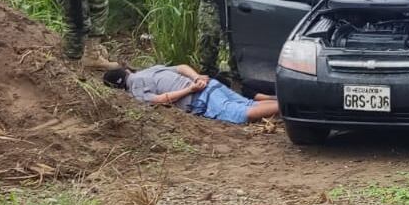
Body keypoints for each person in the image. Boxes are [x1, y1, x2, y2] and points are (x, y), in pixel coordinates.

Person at [103, 64, 279, 124]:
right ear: (126, 70)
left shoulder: (135, 89)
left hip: (200, 97)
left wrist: (190, 89)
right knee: (248, 105)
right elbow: (181, 67)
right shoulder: (149, 70)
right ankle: (288, 103)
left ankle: (289, 107)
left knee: (242, 114)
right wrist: (196, 77)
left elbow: (160, 100)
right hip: (209, 85)